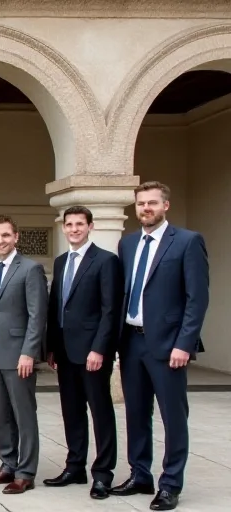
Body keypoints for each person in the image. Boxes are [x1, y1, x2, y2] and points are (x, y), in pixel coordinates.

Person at [111, 181, 208, 511]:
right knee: (136, 413)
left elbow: (197, 299)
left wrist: (185, 343)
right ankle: (140, 474)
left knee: (173, 417)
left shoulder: (187, 241)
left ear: (166, 205)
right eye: (141, 203)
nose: (145, 208)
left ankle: (170, 484)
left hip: (169, 347)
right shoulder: (128, 244)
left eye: (152, 202)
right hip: (131, 342)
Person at [44, 206, 122, 500]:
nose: (74, 229)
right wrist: (51, 346)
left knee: (100, 413)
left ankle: (102, 474)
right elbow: (56, 308)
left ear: (91, 226)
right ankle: (75, 466)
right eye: (69, 224)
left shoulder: (105, 261)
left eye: (80, 224)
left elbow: (109, 310)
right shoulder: (62, 261)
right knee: (71, 412)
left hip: (92, 353)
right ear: (63, 228)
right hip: (64, 352)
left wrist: (100, 349)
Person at [0, 214, 48, 495]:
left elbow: (36, 315)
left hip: (19, 357)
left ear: (16, 237)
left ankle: (25, 472)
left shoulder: (30, 269)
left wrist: (29, 353)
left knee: (24, 415)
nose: (0, 240)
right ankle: (8, 464)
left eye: (5, 235)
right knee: (1, 414)